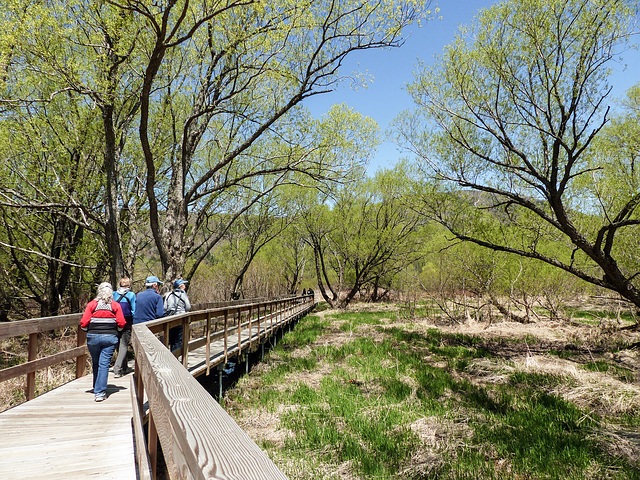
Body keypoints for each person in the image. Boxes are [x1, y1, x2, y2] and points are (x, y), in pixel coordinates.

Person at [80, 282, 127, 402]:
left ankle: (97, 387)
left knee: (96, 362)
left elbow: (84, 322)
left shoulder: (92, 304)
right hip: (109, 337)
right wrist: (117, 329)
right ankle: (100, 392)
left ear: (99, 291)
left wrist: (86, 329)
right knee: (104, 364)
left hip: (93, 337)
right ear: (111, 292)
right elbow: (121, 322)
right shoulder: (115, 305)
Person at [112, 277, 136, 378]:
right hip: (126, 321)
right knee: (124, 345)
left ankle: (124, 367)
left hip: (115, 321)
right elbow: (133, 310)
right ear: (129, 285)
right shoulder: (131, 295)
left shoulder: (114, 294)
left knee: (118, 344)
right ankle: (117, 368)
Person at [164, 279, 191, 352]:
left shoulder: (168, 294)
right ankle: (176, 358)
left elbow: (165, 308)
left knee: (172, 340)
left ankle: (172, 355)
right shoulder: (183, 294)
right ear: (181, 286)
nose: (185, 287)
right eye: (184, 285)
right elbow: (188, 307)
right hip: (180, 318)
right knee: (179, 340)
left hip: (170, 319)